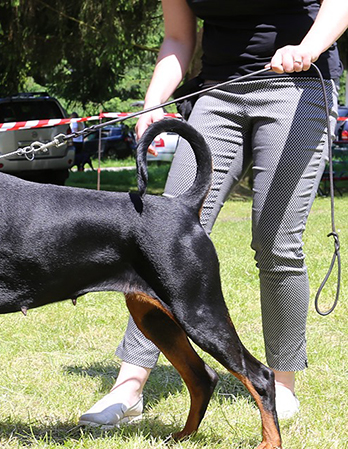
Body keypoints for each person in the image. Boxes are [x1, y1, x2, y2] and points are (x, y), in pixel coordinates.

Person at [79, 0, 348, 426]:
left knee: (276, 240)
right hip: (218, 91)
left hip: (297, 86)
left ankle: (281, 383)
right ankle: (128, 386)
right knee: (161, 239)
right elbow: (177, 38)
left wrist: (309, 47)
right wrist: (154, 100)